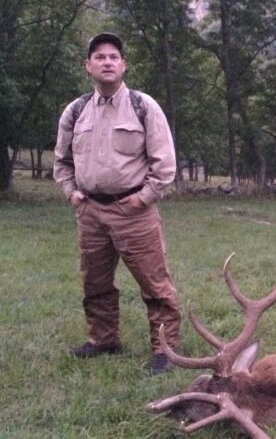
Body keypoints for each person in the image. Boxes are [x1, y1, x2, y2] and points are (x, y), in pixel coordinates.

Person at [53, 32, 181, 374]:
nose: (107, 62)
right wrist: (71, 192)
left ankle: (166, 350)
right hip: (90, 213)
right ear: (88, 66)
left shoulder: (143, 106)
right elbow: (61, 161)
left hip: (134, 212)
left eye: (113, 57)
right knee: (94, 283)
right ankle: (104, 340)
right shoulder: (75, 111)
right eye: (99, 57)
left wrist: (143, 198)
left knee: (155, 285)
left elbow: (165, 164)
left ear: (123, 65)